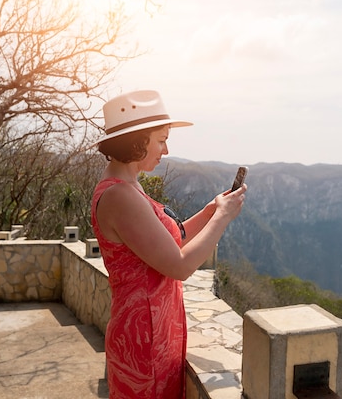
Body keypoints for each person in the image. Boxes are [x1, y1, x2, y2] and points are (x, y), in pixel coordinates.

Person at [90, 90, 247, 398]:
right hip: (144, 338)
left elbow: (170, 241)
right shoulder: (120, 196)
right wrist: (223, 219)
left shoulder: (128, 187)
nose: (166, 148)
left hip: (154, 329)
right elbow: (179, 265)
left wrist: (210, 211)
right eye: (160, 139)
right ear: (137, 140)